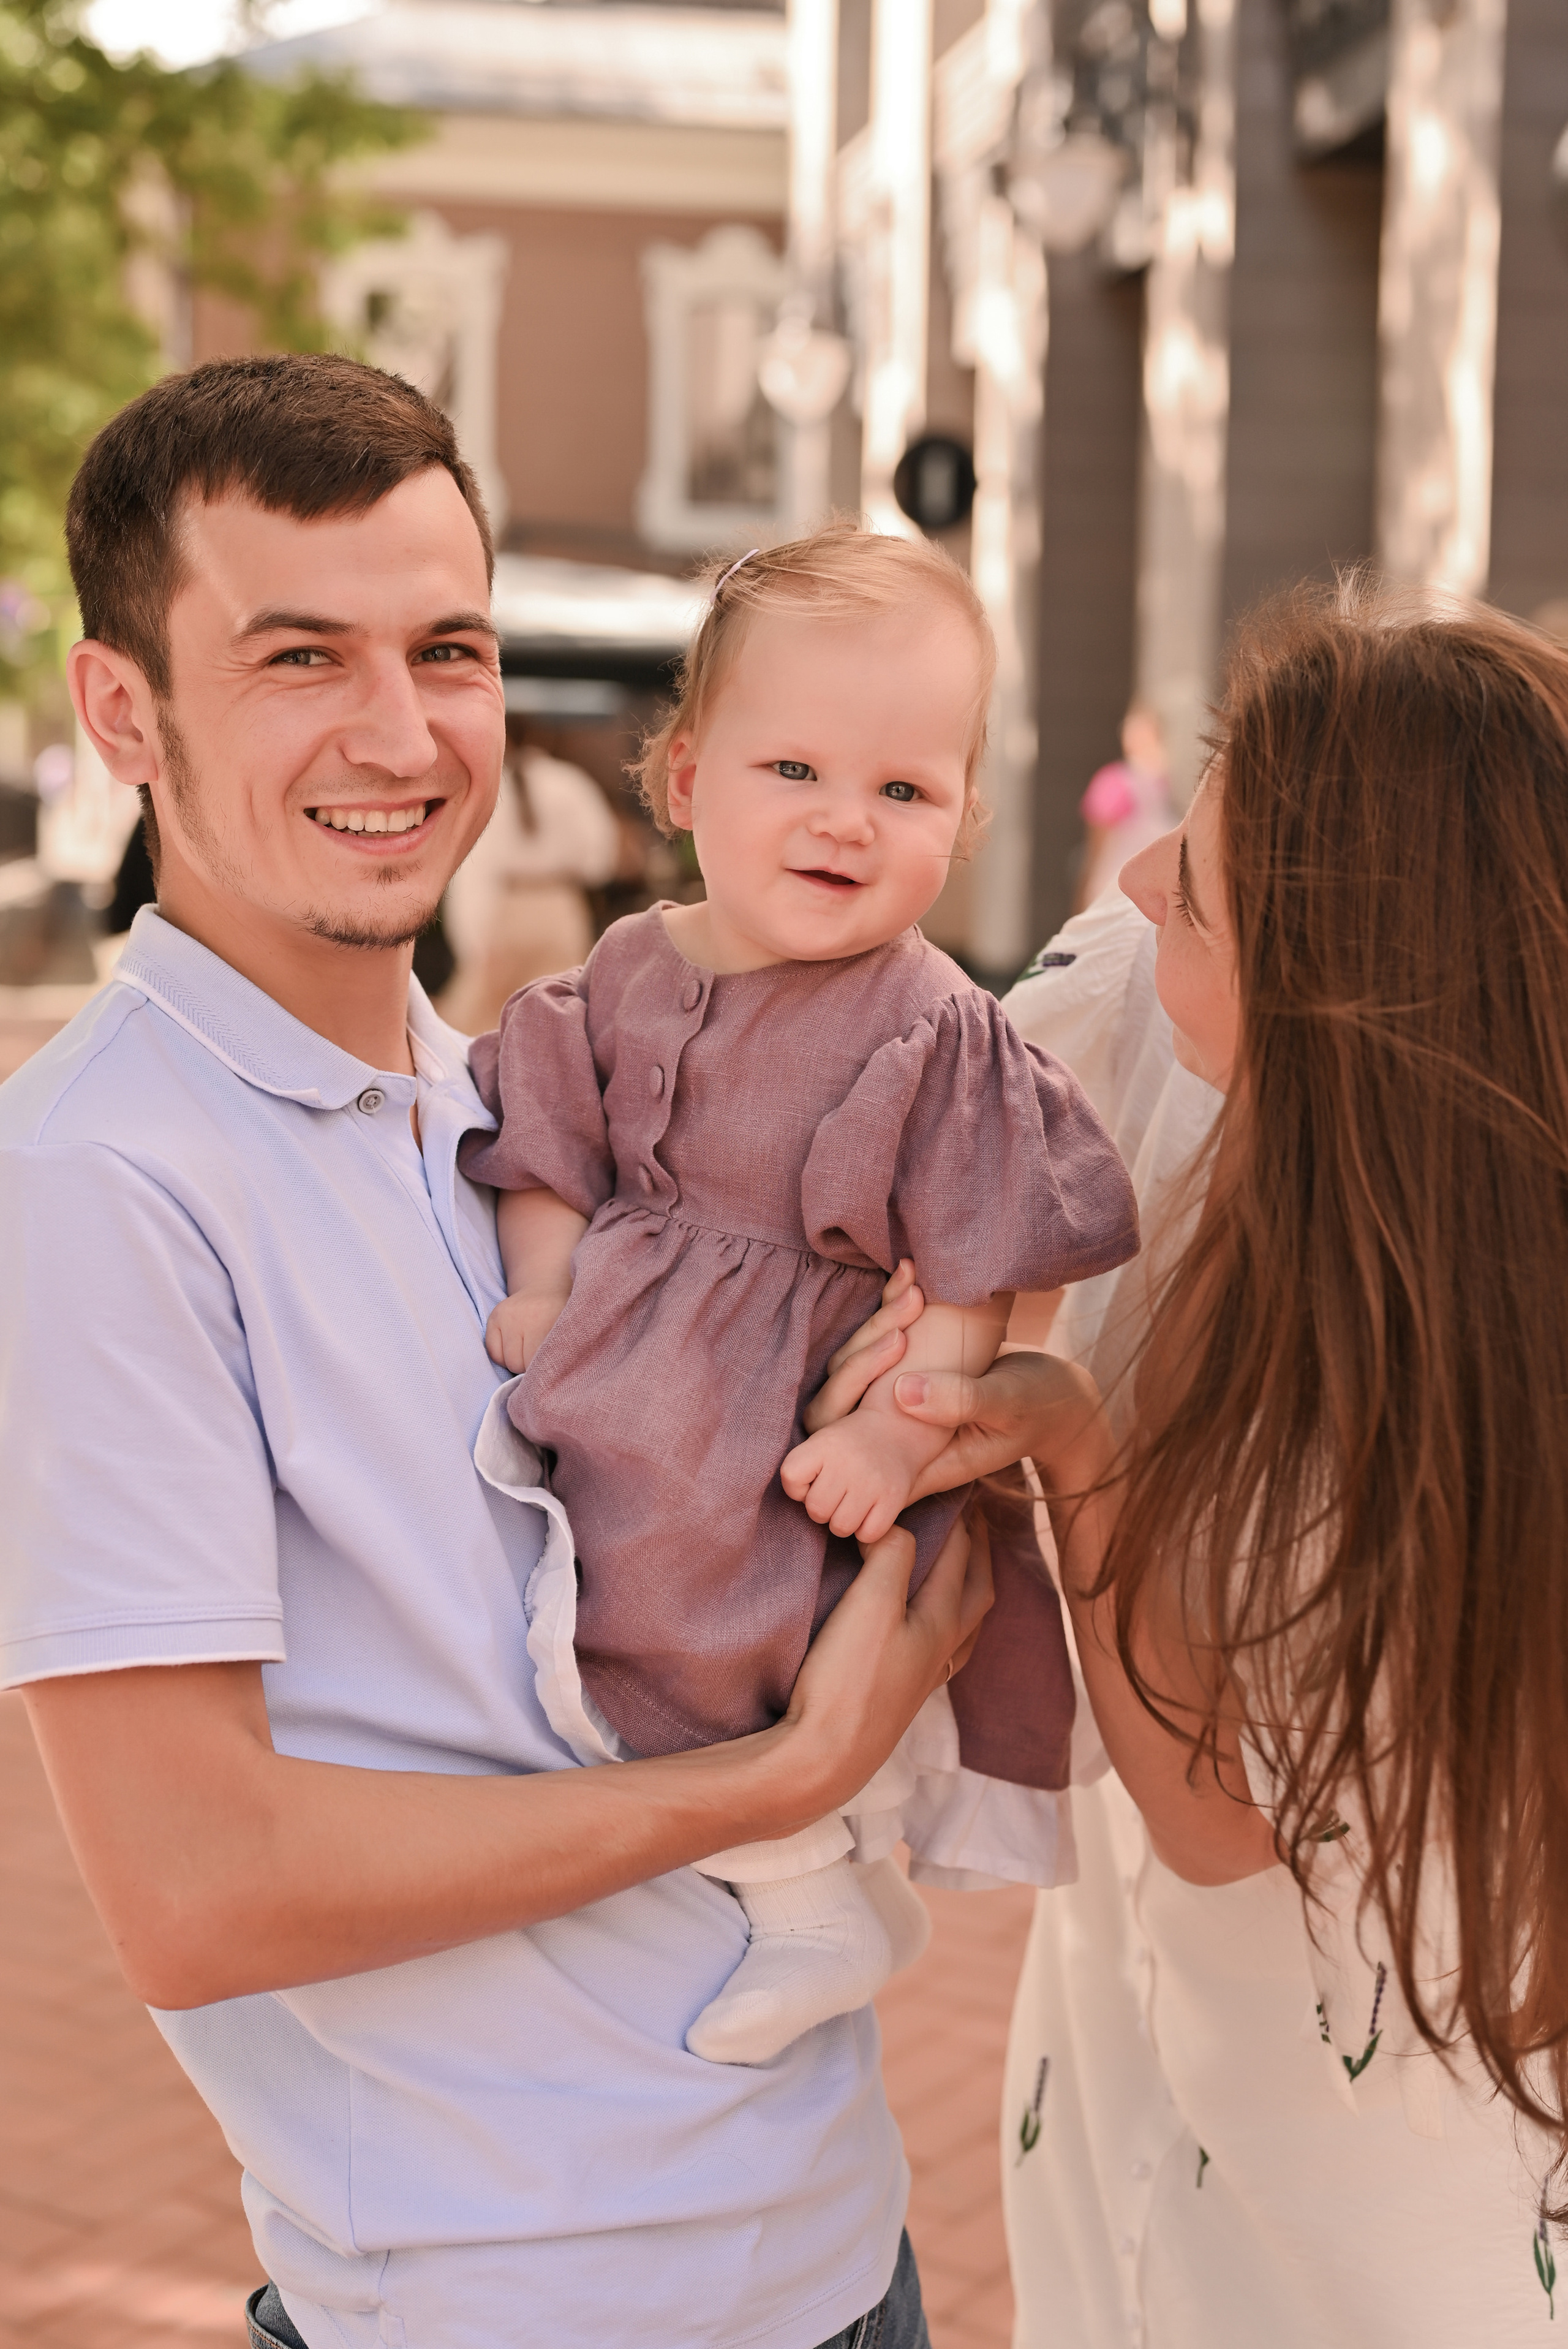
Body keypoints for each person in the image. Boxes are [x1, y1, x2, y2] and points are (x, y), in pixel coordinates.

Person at [0, 354, 993, 2349]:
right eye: (299, 655)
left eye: (446, 647)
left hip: (833, 2234)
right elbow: (201, 1888)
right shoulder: (95, 1179)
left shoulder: (526, 1112)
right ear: (127, 710)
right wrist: (789, 1772)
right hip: (511, 2301)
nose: (402, 730)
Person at [839, 580, 1568, 2343]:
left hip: (1367, 2157)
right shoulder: (1150, 1039)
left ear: (1344, 1012)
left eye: (1210, 899)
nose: (1148, 875)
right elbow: (921, 1080)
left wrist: (1077, 1457)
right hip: (1125, 2059)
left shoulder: (1460, 1369)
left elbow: (1222, 1807)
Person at [462, 524, 1139, 2068]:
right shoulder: (625, 963)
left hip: (783, 1395)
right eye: (795, 773)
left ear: (962, 817)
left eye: (901, 790)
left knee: (709, 1593)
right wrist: (543, 1275)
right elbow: (550, 1128)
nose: (846, 821)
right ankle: (689, 1860)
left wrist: (903, 1443)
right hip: (627, 1359)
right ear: (686, 777)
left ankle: (803, 1883)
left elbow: (969, 1268)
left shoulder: (934, 1022)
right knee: (574, 1581)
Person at [439, 716, 621, 1033]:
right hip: (559, 906)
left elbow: (476, 868)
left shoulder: (490, 792)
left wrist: (472, 940)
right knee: (560, 1013)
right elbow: (600, 856)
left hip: (509, 905)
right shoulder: (569, 782)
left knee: (489, 1024)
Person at [1073, 700, 1175, 912]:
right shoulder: (1162, 785)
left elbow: (1096, 848)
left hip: (1113, 891)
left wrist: (1083, 893)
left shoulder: (1114, 781)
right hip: (1146, 896)